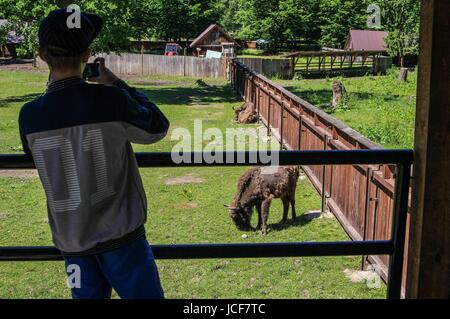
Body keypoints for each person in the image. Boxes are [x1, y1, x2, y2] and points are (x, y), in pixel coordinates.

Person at [18, 8, 169, 299]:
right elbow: (157, 127)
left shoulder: (29, 116)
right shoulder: (110, 100)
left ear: (40, 54)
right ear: (87, 54)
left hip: (73, 243)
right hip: (123, 240)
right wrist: (116, 83)